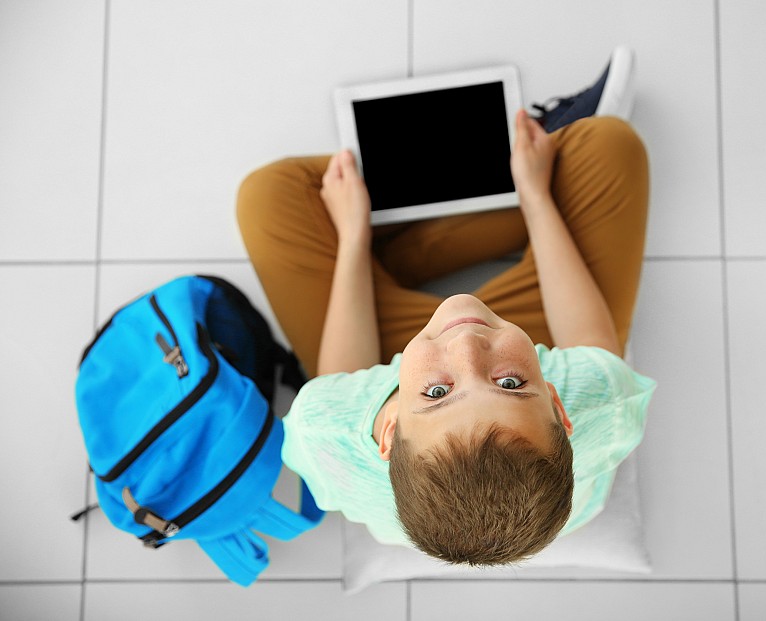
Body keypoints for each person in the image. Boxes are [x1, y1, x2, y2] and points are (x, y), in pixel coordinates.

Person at [236, 52, 655, 566]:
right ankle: (509, 190)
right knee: (608, 146)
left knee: (267, 197)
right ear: (558, 407)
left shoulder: (325, 431)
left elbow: (345, 377)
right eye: (509, 384)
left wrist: (351, 238)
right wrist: (535, 197)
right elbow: (591, 341)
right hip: (509, 333)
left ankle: (391, 241)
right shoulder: (599, 404)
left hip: (398, 355)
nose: (464, 344)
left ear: (388, 432)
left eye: (438, 394)